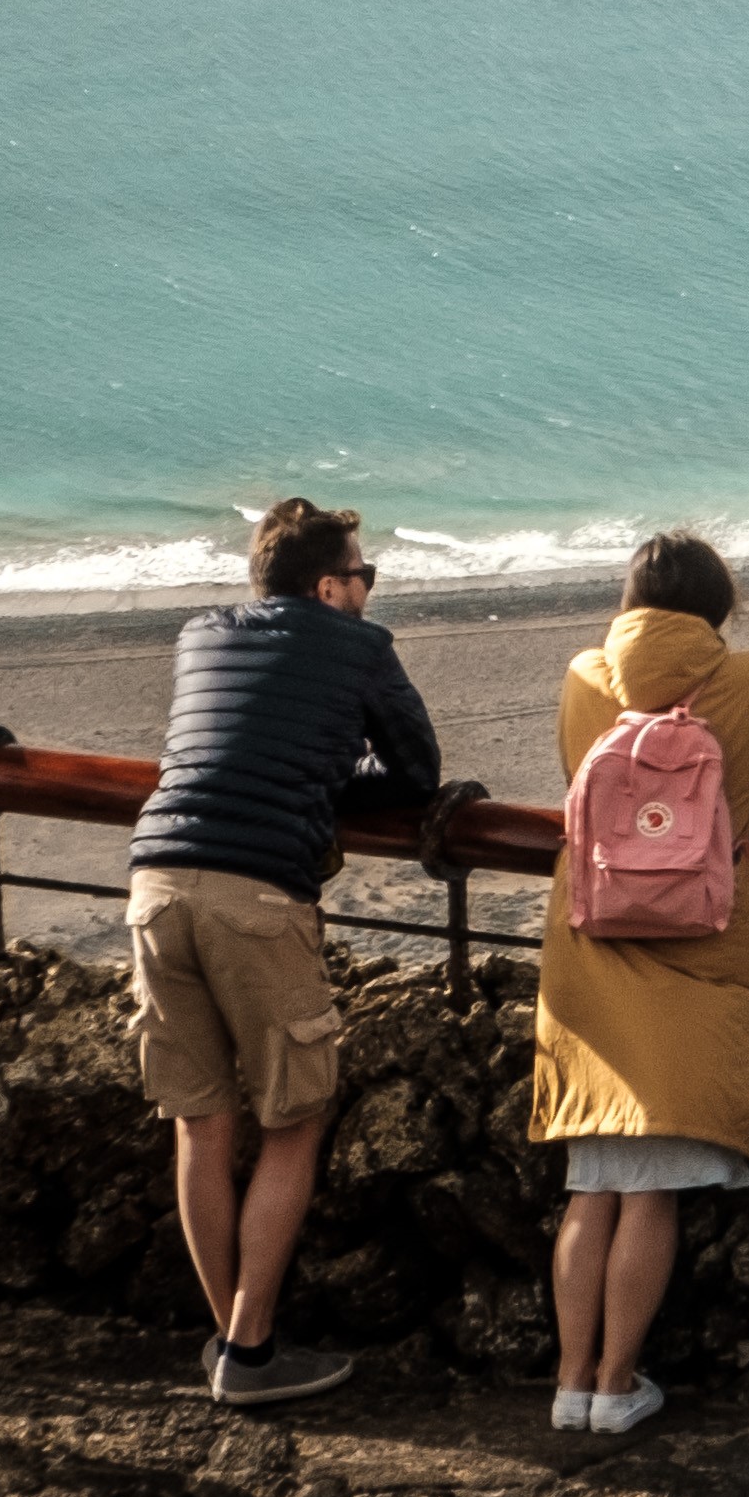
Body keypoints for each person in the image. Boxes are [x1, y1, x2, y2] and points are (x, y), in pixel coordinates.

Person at [132, 495, 440, 1408]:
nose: (371, 591)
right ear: (330, 585)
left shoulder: (201, 634)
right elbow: (415, 772)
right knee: (294, 1120)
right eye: (366, 576)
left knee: (199, 1121)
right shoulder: (359, 646)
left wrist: (301, 769)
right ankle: (252, 1351)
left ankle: (229, 1336)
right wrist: (326, 784)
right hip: (257, 894)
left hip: (154, 881)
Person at [528, 529, 749, 1443]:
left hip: (594, 943)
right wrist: (730, 841)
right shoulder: (748, 677)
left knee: (593, 1179)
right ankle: (617, 1386)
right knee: (651, 1187)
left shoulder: (582, 676)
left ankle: (571, 1385)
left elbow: (579, 784)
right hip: (700, 944)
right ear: (717, 602)